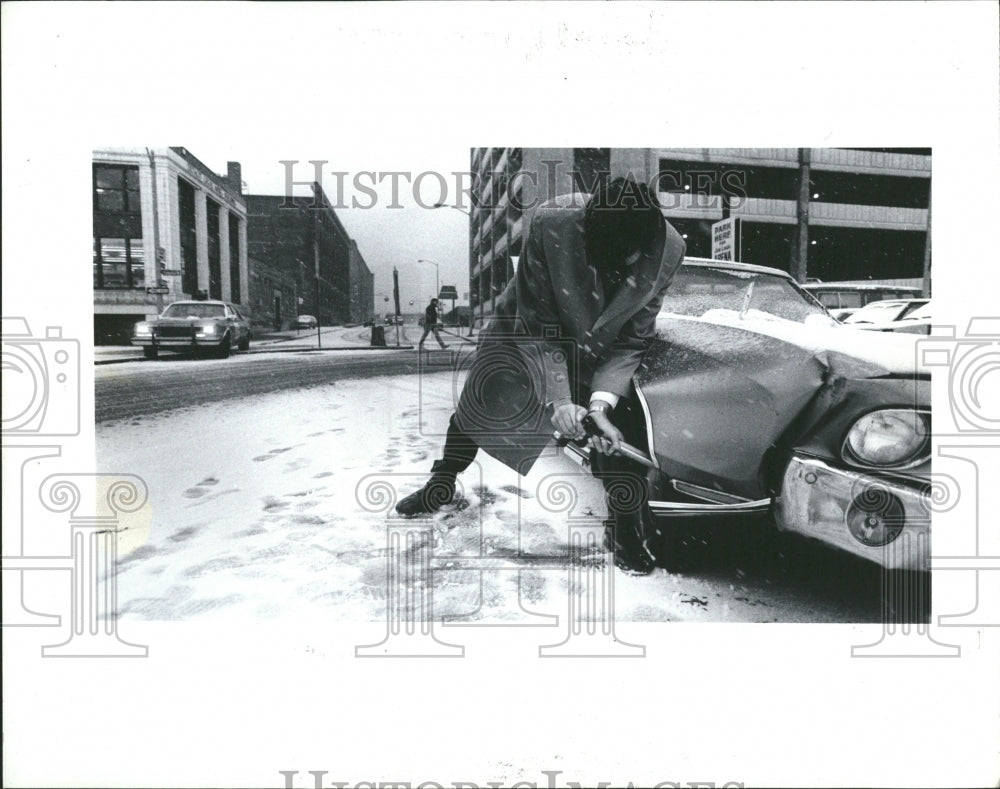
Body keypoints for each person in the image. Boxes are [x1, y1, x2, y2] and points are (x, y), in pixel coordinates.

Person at [395, 177, 686, 574]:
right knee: (479, 408)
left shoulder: (671, 250)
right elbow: (538, 323)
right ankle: (441, 483)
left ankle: (622, 526)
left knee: (616, 431)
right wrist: (560, 400)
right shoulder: (552, 223)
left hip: (600, 346)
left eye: (627, 260)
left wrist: (600, 403)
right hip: (527, 331)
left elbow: (634, 338)